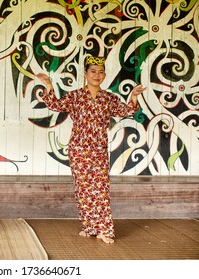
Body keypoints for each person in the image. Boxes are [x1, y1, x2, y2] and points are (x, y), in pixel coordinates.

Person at [36, 56, 145, 244]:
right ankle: (90, 226)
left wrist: (134, 96)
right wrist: (48, 86)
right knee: (84, 190)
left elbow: (126, 111)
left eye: (101, 71)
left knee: (101, 189)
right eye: (93, 71)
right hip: (78, 150)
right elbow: (55, 104)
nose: (97, 75)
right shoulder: (75, 96)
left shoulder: (109, 98)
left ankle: (105, 229)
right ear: (85, 73)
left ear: (104, 75)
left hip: (99, 151)